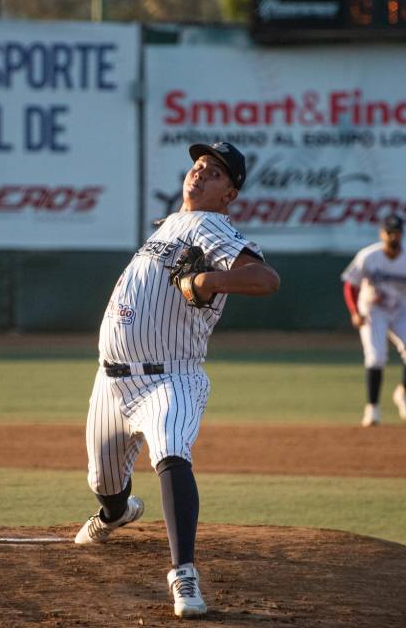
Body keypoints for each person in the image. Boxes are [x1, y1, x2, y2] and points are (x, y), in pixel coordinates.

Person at [73, 142, 280, 618]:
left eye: (213, 172)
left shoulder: (215, 227)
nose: (200, 173)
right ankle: (115, 514)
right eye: (198, 166)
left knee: (170, 452)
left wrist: (206, 283)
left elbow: (265, 279)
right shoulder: (170, 224)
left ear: (230, 194)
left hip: (171, 379)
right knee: (104, 483)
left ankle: (183, 575)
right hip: (112, 383)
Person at [341, 215, 406, 427]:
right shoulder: (369, 256)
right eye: (389, 232)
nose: (393, 236)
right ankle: (372, 409)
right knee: (375, 357)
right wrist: (355, 312)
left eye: (397, 232)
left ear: (402, 233)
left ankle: (404, 393)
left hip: (400, 307)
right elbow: (350, 283)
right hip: (373, 309)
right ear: (381, 233)